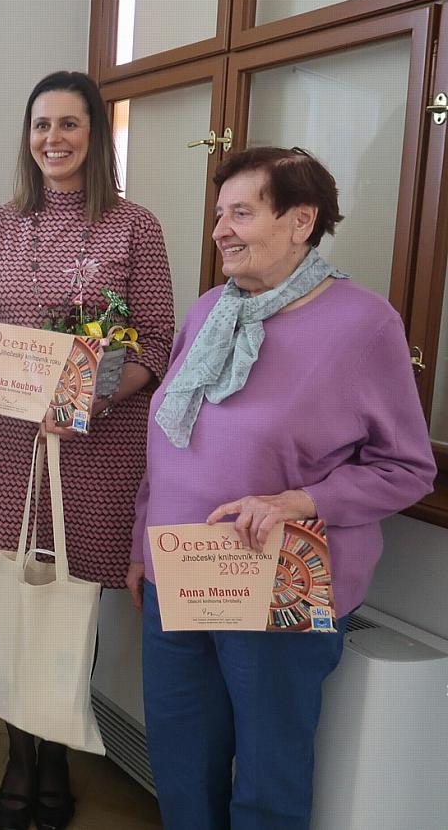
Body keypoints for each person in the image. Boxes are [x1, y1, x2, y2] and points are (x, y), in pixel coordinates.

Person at [127, 146, 436, 829]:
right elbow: (167, 441)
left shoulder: (363, 324)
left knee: (269, 774)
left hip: (281, 578)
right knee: (181, 758)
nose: (220, 231)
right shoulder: (208, 311)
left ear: (302, 221)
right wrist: (140, 546)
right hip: (180, 571)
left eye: (241, 213)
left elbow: (407, 469)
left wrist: (300, 501)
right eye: (219, 215)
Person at [0, 71, 174, 830]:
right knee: (15, 596)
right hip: (11, 444)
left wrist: (89, 395)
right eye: (41, 124)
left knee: (75, 603)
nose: (53, 138)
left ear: (95, 135)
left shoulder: (135, 226)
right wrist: (25, 370)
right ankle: (20, 755)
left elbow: (155, 341)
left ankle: (57, 754)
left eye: (69, 124)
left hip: (97, 448)